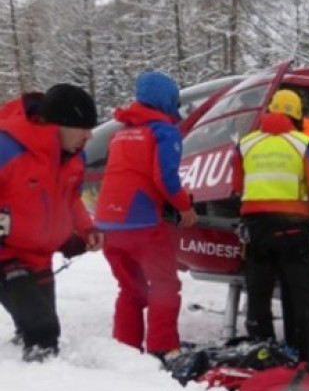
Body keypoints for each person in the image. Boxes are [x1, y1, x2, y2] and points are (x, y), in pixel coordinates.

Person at [232, 88, 309, 362]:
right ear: (297, 116)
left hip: (256, 230)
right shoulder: (305, 144)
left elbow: (237, 186)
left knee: (258, 295)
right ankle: (304, 354)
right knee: (299, 295)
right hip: (293, 229)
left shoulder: (245, 144)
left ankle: (261, 352)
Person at [95, 71, 197, 364]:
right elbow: (164, 177)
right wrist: (184, 207)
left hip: (108, 223)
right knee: (164, 286)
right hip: (142, 223)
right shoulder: (163, 131)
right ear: (167, 100)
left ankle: (125, 350)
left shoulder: (121, 133)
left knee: (130, 288)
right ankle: (162, 350)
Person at [0, 84, 103, 362]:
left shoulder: (74, 157)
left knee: (39, 325)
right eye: (84, 128)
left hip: (39, 256)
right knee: (43, 330)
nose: (90, 135)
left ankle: (28, 370)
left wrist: (86, 229)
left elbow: (70, 199)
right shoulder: (7, 148)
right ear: (60, 125)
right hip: (5, 254)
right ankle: (45, 390)